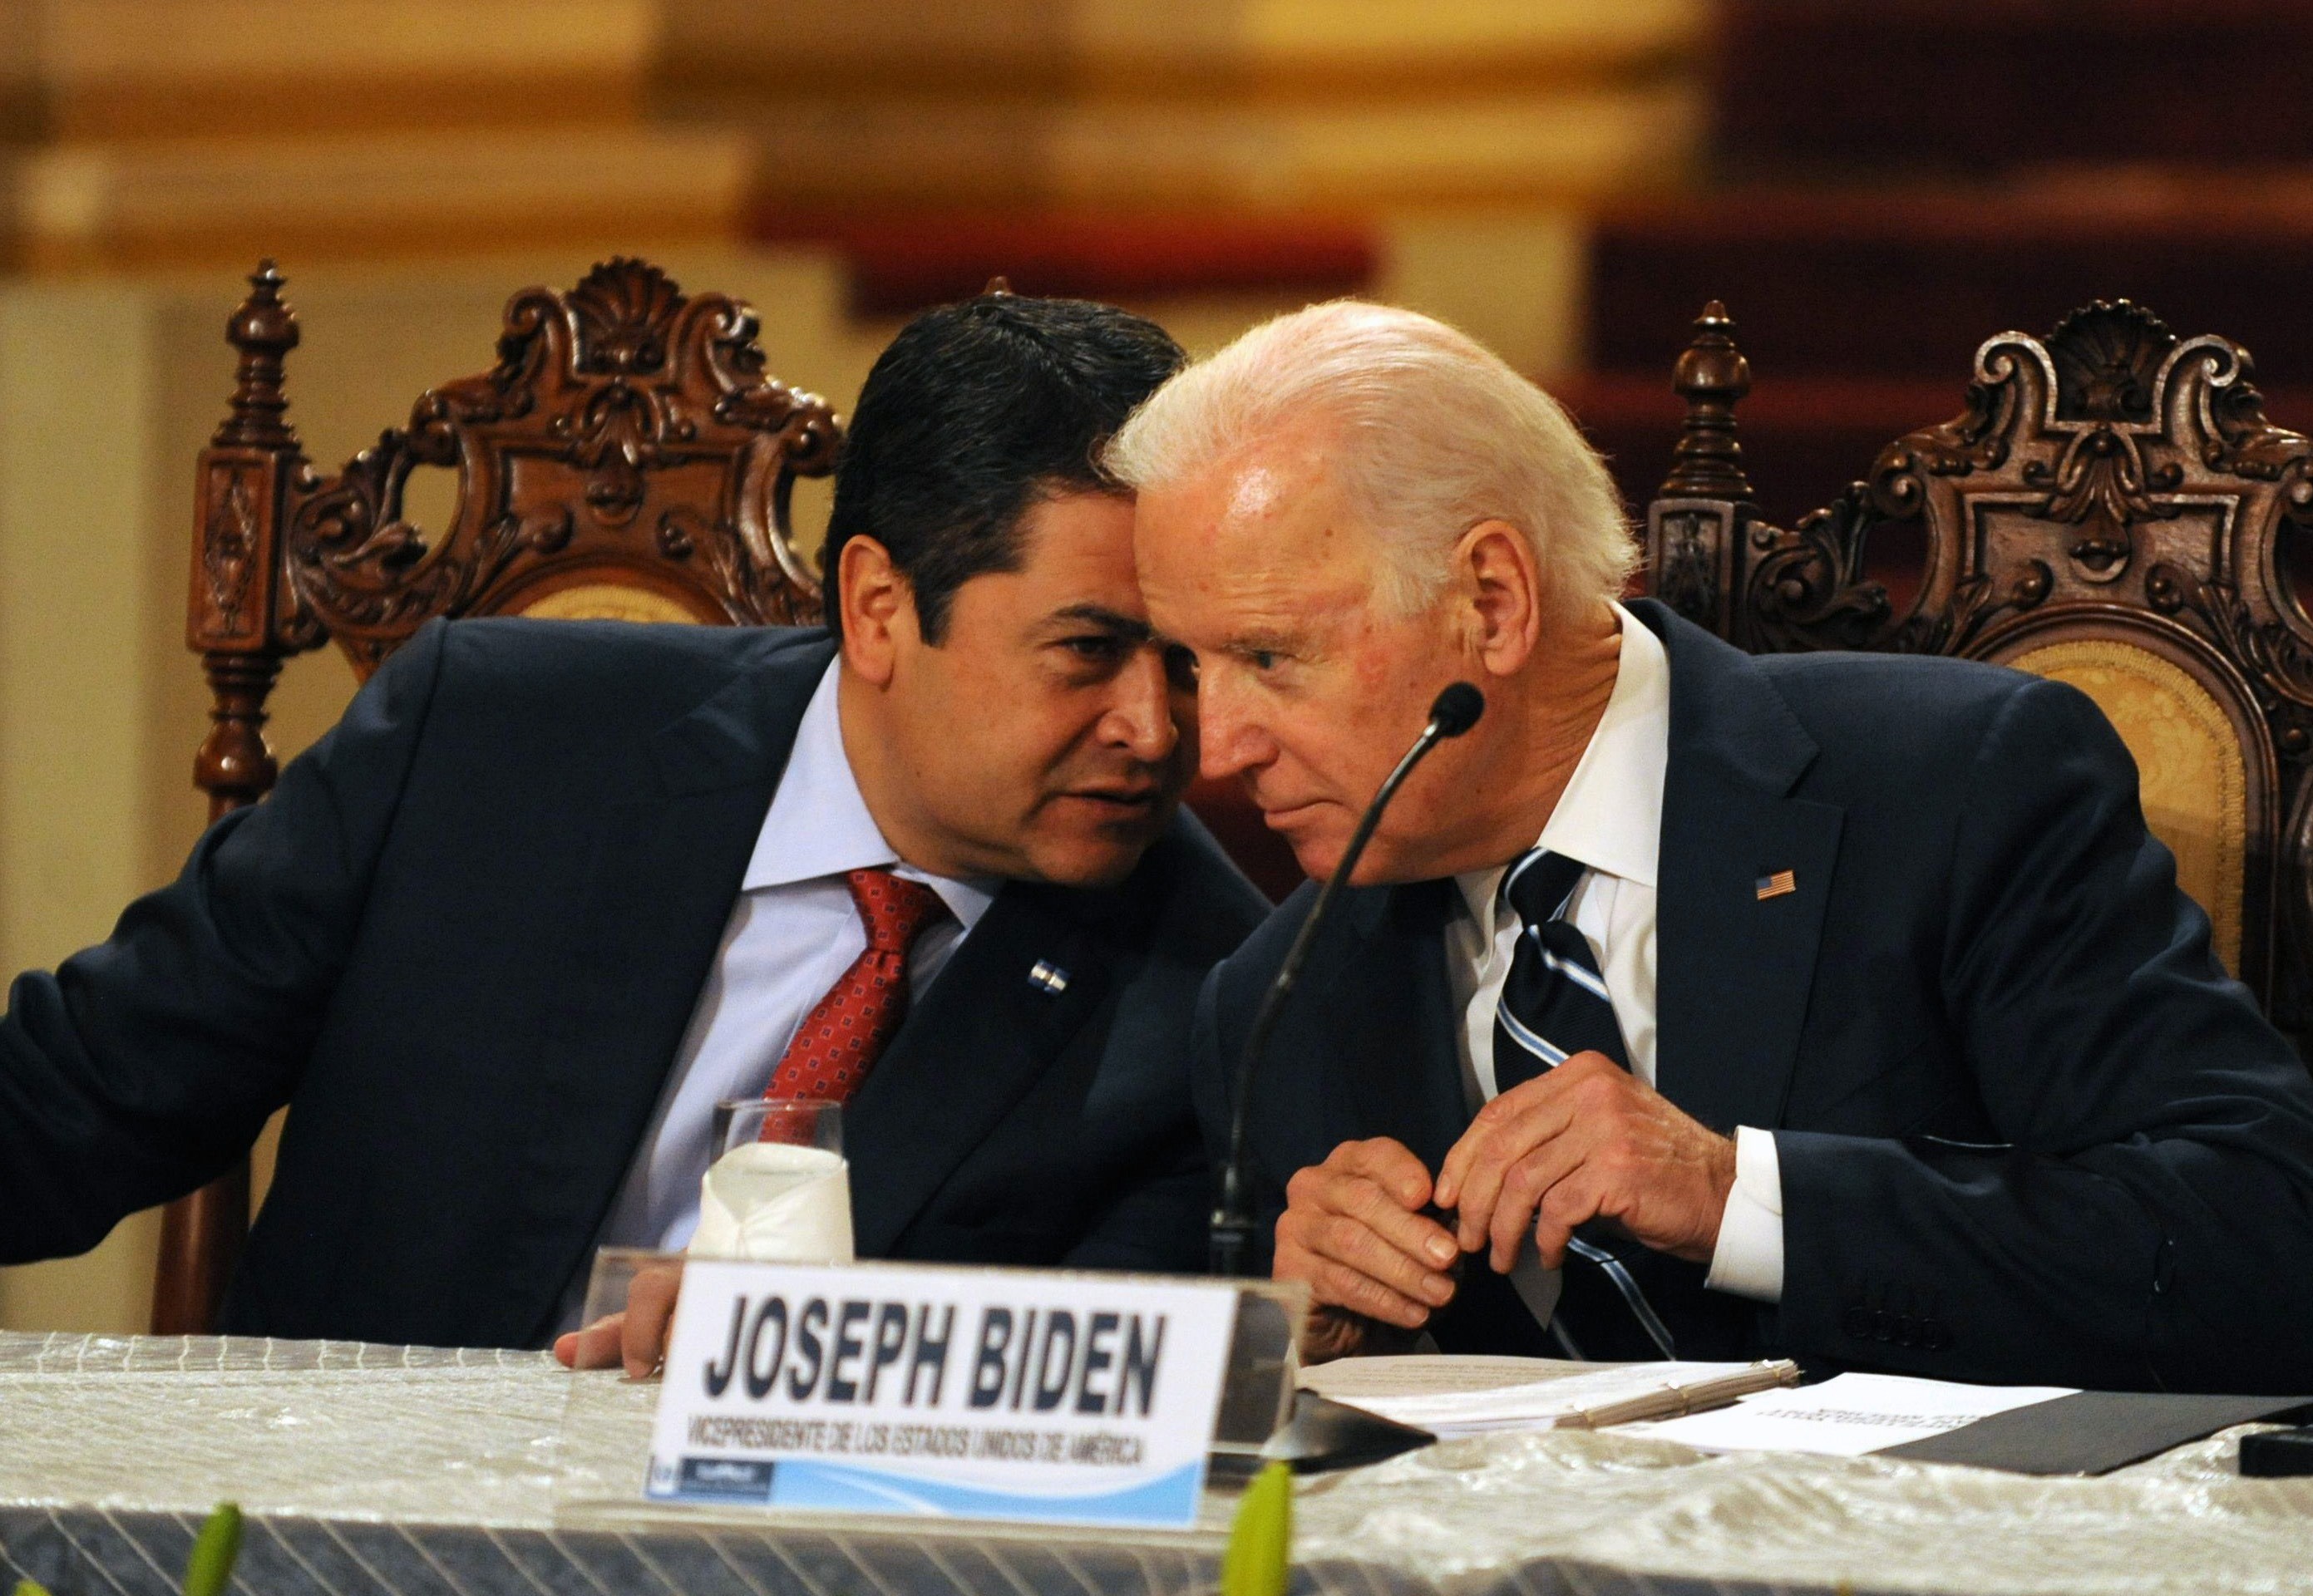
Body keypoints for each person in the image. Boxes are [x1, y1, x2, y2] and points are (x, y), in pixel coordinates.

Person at [0, 293, 1267, 1357]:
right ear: (879, 605)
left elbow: (1100, 1410)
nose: (1155, 731)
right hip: (322, 1579)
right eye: (1088, 651)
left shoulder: (1213, 986)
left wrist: (795, 1350)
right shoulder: (484, 748)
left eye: (1191, 661)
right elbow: (83, 1091)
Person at [1110, 299, 2313, 1392]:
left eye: (1268, 657)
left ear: (1490, 601)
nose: (1213, 748)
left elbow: (2261, 1241)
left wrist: (1737, 1193)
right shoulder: (1274, 1001)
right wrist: (1306, 1335)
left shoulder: (1951, 789)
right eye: (1187, 663)